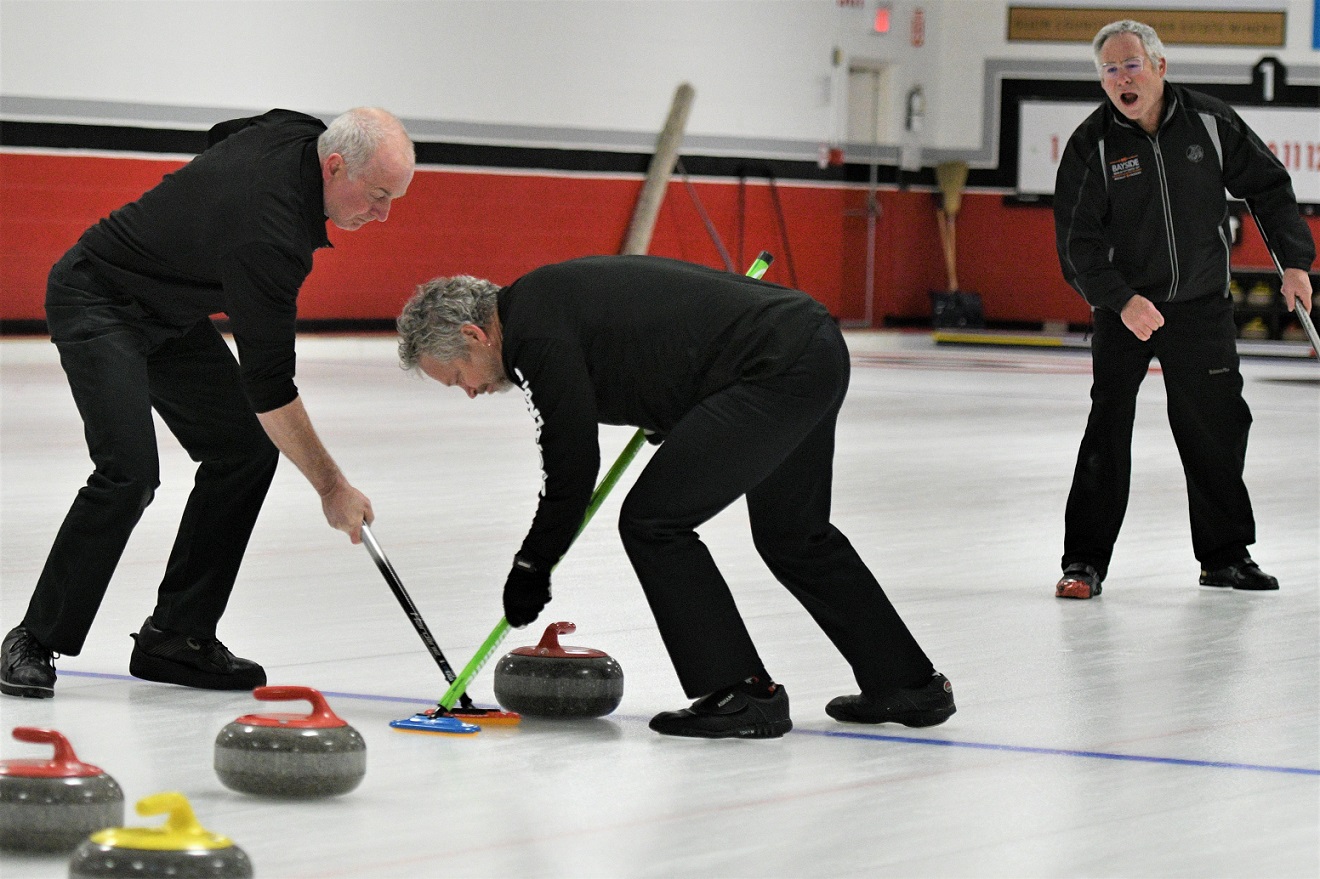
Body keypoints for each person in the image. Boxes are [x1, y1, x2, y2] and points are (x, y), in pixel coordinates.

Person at [395, 255, 955, 739]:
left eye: (458, 376)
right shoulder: (544, 301)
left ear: (474, 336)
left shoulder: (533, 334)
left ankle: (740, 692)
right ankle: (906, 684)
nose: (471, 391)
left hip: (773, 366)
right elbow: (651, 343)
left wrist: (533, 562)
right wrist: (674, 406)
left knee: (652, 522)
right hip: (806, 346)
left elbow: (571, 463)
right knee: (793, 534)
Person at [1, 107, 415, 699]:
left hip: (171, 311)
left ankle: (178, 637)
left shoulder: (295, 128)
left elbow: (223, 134)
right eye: (377, 195)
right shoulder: (268, 239)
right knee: (129, 474)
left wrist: (199, 205)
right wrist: (331, 487)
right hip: (98, 295)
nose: (382, 214)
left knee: (244, 451)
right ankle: (31, 639)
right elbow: (270, 388)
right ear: (334, 164)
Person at [1052, 20, 1315, 599]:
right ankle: (1084, 563)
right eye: (1110, 69)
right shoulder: (1090, 145)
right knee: (1107, 430)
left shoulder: (1211, 122)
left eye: (1131, 64)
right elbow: (1078, 245)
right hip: (1125, 313)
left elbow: (1269, 187)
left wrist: (1294, 262)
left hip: (1201, 307)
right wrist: (1121, 300)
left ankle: (1225, 556)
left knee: (1217, 429)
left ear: (1159, 66)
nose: (1122, 77)